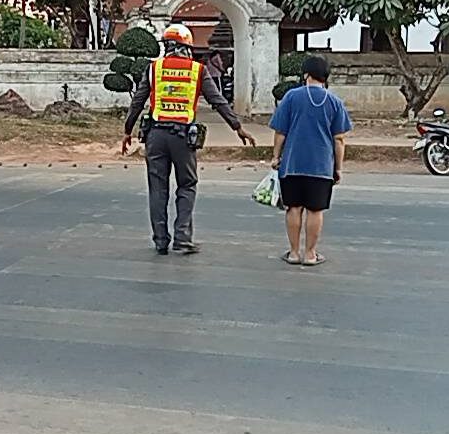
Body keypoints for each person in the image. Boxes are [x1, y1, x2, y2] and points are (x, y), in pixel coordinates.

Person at [121, 24, 256, 256]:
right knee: (187, 185)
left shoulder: (154, 69)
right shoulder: (197, 70)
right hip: (183, 137)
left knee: (157, 188)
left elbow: (138, 102)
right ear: (187, 47)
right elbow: (218, 101)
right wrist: (238, 127)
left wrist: (127, 131)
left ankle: (160, 241)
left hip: (155, 136)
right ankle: (182, 239)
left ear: (167, 46)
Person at [269, 55, 351, 267]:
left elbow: (280, 132)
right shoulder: (334, 102)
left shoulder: (290, 97)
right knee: (315, 210)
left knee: (293, 208)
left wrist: (276, 157)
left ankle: (294, 253)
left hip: (292, 164)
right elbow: (339, 139)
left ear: (306, 74)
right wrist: (338, 168)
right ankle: (310, 254)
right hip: (321, 166)